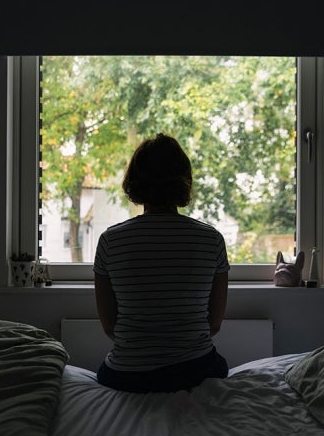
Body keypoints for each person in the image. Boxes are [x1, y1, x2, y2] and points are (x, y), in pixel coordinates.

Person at [93, 133, 230, 393]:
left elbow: (109, 325)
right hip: (197, 370)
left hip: (128, 375)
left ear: (134, 181)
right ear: (184, 181)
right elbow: (214, 324)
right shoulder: (211, 239)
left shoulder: (111, 240)